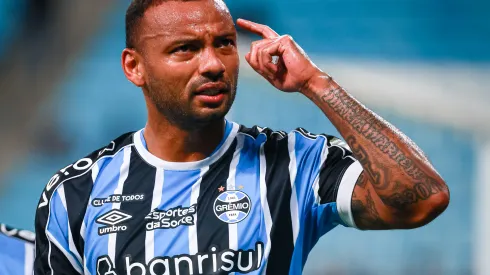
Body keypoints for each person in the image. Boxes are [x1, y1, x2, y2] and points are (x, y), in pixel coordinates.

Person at [33, 0, 450, 274]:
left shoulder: (293, 162)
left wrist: (318, 85)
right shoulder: (76, 193)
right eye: (186, 49)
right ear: (134, 67)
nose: (213, 64)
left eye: (225, 43)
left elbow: (423, 197)